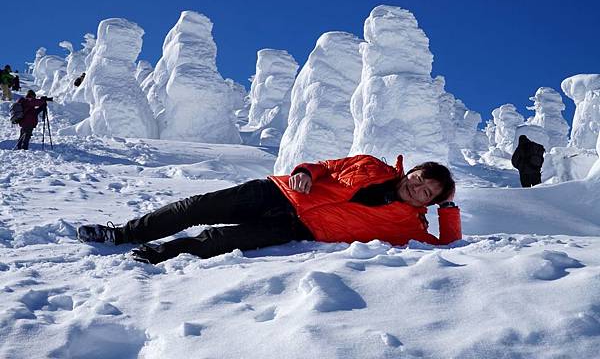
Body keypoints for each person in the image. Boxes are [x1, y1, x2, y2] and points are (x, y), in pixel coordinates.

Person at [77, 154, 461, 264]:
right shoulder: (371, 165)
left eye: (428, 193)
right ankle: (123, 233)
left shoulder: (407, 224)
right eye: (418, 179)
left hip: (298, 229)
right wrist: (303, 172)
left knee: (218, 240)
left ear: (431, 201)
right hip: (277, 194)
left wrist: (449, 209)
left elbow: (446, 247)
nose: (417, 190)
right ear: (410, 171)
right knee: (196, 207)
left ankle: (159, 252)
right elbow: (325, 167)